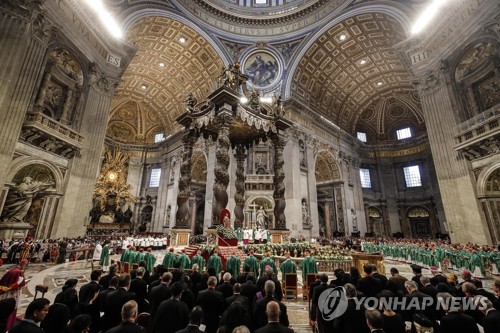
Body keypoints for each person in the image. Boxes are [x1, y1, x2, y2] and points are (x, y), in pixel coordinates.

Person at [0, 258, 29, 330]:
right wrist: (23, 281)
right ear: (24, 265)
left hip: (7, 293)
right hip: (13, 294)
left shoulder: (13, 269)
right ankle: (8, 327)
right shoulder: (19, 272)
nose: (26, 267)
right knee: (11, 310)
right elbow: (17, 284)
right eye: (26, 265)